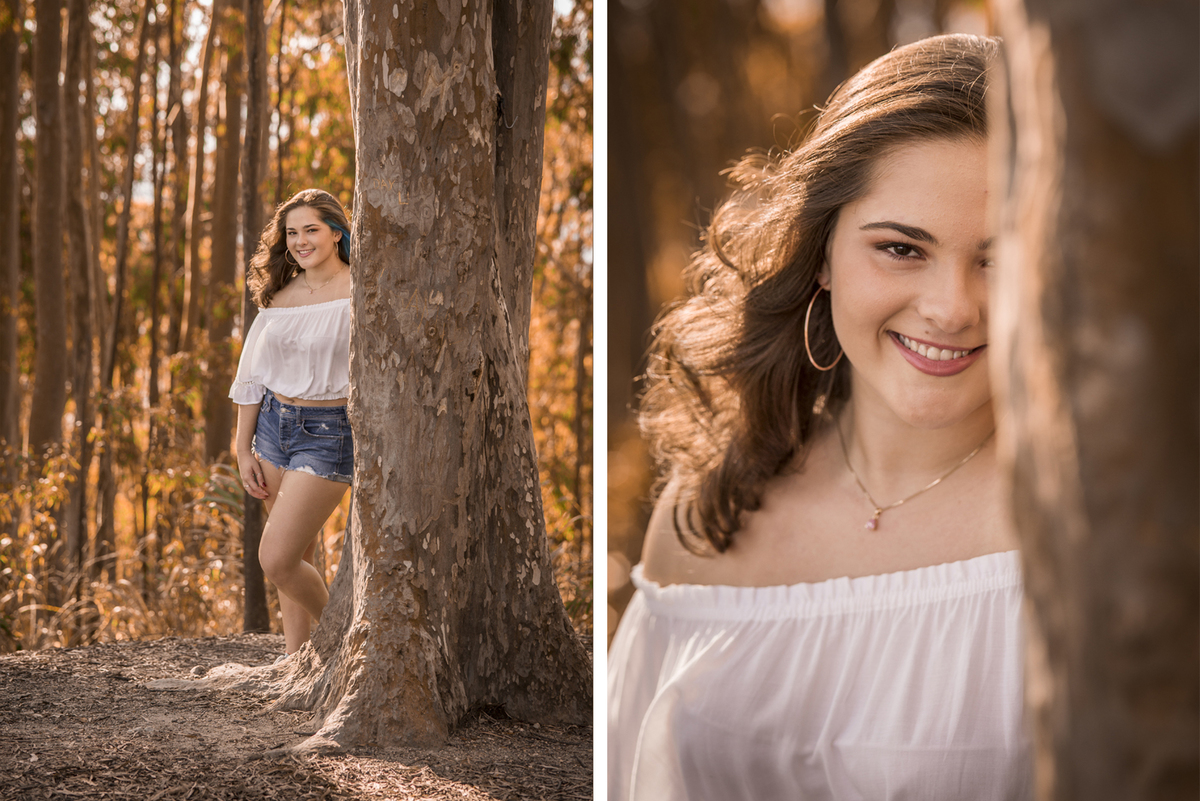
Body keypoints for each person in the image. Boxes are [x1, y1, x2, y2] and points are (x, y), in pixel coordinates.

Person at [608, 34, 1033, 801]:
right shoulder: (701, 515)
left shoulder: (1100, 524)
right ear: (824, 254)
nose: (950, 306)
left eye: (998, 259)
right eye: (902, 248)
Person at [229, 188, 354, 656]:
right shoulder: (279, 293)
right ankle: (296, 659)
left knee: (277, 558)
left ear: (337, 233)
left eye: (312, 230)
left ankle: (347, 645)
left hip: (329, 432)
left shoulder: (360, 289)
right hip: (272, 428)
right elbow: (252, 376)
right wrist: (243, 449)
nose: (301, 241)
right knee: (299, 553)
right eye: (292, 232)